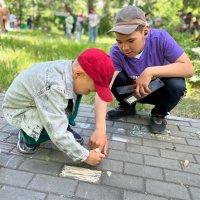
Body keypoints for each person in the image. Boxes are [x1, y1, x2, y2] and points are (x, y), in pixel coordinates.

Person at [2, 48, 115, 166]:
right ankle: (27, 137)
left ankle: (64, 125)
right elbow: (56, 131)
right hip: (20, 110)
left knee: (75, 92)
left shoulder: (72, 71)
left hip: (38, 97)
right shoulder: (55, 88)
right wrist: (85, 156)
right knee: (51, 124)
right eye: (89, 90)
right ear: (78, 74)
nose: (89, 93)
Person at [96, 6, 194, 135]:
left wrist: (150, 71)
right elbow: (104, 87)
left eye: (131, 40)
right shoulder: (116, 52)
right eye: (119, 41)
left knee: (177, 85)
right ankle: (127, 107)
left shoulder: (161, 38)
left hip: (158, 91)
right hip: (132, 92)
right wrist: (99, 129)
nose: (124, 48)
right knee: (114, 76)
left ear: (145, 31)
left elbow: (189, 69)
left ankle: (159, 114)